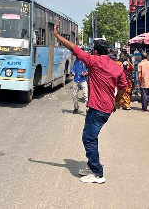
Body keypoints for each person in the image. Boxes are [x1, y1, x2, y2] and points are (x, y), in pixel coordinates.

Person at [54, 20, 127, 184]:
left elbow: (74, 48)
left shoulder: (93, 61)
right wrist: (116, 102)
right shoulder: (117, 67)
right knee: (91, 137)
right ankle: (91, 165)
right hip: (107, 109)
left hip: (97, 108)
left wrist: (57, 35)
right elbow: (123, 87)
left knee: (89, 138)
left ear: (95, 51)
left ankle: (97, 173)